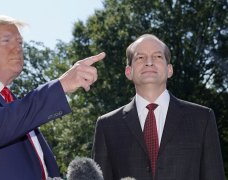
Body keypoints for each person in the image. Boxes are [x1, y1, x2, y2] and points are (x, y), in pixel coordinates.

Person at [0, 15, 105, 180]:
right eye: (6, 40)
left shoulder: (16, 106)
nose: (18, 47)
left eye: (20, 42)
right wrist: (60, 86)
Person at [92, 34, 225, 180]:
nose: (149, 62)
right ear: (128, 72)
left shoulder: (202, 119)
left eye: (157, 56)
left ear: (169, 70)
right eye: (140, 58)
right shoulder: (107, 125)